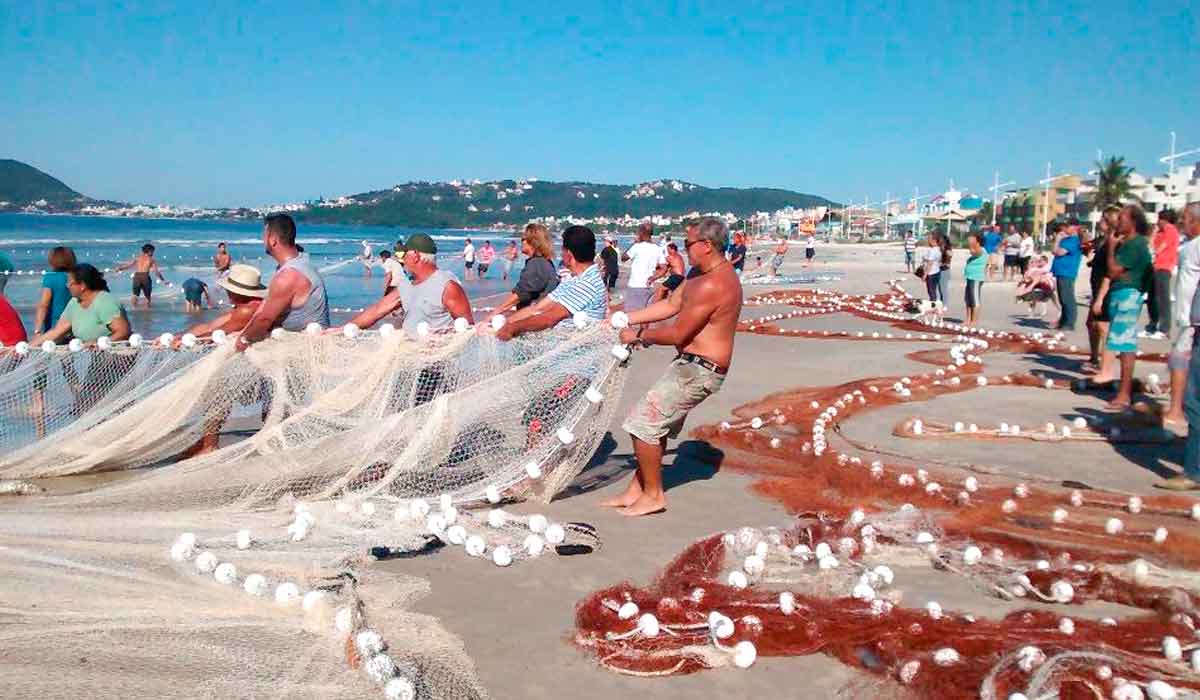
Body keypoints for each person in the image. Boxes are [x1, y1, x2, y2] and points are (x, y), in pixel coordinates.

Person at [602, 217, 742, 516]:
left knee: (641, 426)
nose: (681, 250)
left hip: (701, 370)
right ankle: (637, 489)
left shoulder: (715, 283)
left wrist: (639, 336)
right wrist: (629, 318)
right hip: (687, 365)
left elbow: (679, 333)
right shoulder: (697, 273)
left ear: (706, 246)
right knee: (656, 427)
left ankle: (654, 495)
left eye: (688, 243)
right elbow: (670, 306)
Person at [235, 214, 330, 351]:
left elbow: (264, 320)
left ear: (273, 240)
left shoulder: (288, 276)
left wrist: (241, 342)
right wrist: (243, 333)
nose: (262, 240)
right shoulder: (300, 262)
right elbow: (262, 311)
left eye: (264, 236)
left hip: (308, 353)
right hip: (304, 347)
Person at [495, 225, 606, 339]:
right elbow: (537, 309)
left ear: (568, 253)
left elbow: (549, 318)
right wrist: (506, 323)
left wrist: (513, 328)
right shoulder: (573, 280)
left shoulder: (586, 284)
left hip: (571, 353)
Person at [349, 233, 472, 334]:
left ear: (416, 256)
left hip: (438, 360)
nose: (401, 260)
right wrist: (343, 329)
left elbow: (468, 329)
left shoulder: (448, 286)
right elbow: (377, 310)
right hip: (410, 357)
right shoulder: (406, 284)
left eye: (404, 255)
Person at [1093, 205, 1153, 410]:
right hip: (1121, 293)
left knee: (1126, 345)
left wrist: (1110, 246)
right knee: (1120, 343)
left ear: (1133, 222)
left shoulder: (1135, 244)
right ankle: (1123, 391)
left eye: (1122, 219)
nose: (1118, 223)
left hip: (1128, 294)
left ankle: (1124, 393)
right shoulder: (1127, 242)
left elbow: (1113, 269)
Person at [1160, 201, 1200, 491]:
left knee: (1195, 401)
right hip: (1191, 324)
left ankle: (1194, 471)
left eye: (1185, 218)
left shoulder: (1196, 247)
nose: (1181, 222)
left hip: (1194, 326)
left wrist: (1189, 326)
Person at [30, 264, 130, 345]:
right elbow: (56, 332)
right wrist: (29, 347)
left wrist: (98, 343)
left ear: (82, 286)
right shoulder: (74, 302)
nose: (67, 285)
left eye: (70, 283)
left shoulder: (105, 302)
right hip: (96, 356)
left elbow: (123, 331)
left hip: (118, 356)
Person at [480, 224, 559, 320]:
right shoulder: (545, 262)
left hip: (535, 317)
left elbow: (521, 294)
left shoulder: (536, 263)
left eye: (523, 239)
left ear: (533, 242)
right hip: (542, 313)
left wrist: (492, 314)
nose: (521, 242)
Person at [1086, 206, 1120, 371]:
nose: (1099, 222)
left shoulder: (1113, 241)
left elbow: (1111, 266)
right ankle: (1094, 357)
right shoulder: (1102, 240)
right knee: (1091, 323)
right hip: (1096, 285)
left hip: (1105, 287)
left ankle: (1106, 364)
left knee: (1102, 326)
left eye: (1102, 219)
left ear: (1110, 222)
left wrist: (1101, 297)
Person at [1145, 210, 1180, 340]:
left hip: (1164, 267)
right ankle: (1152, 325)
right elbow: (1150, 244)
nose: (1157, 222)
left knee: (1162, 299)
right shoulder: (1159, 231)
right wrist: (1153, 234)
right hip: (1154, 266)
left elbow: (1161, 248)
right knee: (1152, 297)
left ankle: (1165, 328)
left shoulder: (1170, 230)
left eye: (1159, 219)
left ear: (1164, 219)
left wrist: (1153, 252)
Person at [621, 223, 666, 315]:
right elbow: (664, 268)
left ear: (641, 233)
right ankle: (644, 330)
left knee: (631, 316)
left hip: (636, 285)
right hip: (649, 286)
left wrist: (635, 242)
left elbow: (623, 258)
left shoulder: (637, 246)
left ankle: (634, 330)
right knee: (644, 315)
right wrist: (654, 278)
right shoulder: (657, 248)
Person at [34, 246, 76, 334]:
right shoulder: (77, 277)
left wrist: (37, 330)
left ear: (52, 261)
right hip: (75, 323)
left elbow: (44, 304)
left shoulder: (50, 278)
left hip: (55, 326)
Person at [1050, 222, 1082, 331]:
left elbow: (1058, 252)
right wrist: (1058, 240)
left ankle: (1069, 322)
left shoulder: (1074, 241)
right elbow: (1053, 250)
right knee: (1062, 298)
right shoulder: (1067, 240)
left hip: (1067, 272)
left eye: (1069, 226)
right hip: (1061, 272)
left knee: (1067, 297)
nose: (1065, 228)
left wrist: (1058, 239)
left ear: (1075, 227)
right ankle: (1063, 321)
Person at [115, 243, 168, 308]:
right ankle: (147, 311)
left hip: (137, 276)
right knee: (147, 297)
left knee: (135, 295)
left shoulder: (138, 258)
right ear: (149, 251)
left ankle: (133, 308)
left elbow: (128, 265)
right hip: (145, 277)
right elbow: (156, 272)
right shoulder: (151, 260)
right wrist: (163, 280)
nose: (153, 253)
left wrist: (119, 268)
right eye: (153, 251)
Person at [963, 232, 986, 326]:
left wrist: (972, 244)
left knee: (975, 299)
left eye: (972, 238)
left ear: (977, 241)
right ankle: (968, 319)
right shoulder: (975, 248)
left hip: (976, 278)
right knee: (968, 299)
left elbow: (975, 252)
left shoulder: (981, 250)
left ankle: (974, 321)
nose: (969, 240)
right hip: (969, 277)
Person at [921, 231, 943, 310]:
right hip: (937, 271)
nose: (928, 240)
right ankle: (934, 305)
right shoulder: (939, 249)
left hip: (931, 273)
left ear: (934, 240)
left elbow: (930, 263)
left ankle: (933, 307)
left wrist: (925, 274)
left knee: (931, 291)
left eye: (929, 239)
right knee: (933, 290)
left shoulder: (933, 250)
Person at [936, 232, 953, 314]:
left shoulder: (948, 250)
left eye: (940, 240)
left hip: (944, 271)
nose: (939, 241)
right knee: (938, 289)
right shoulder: (939, 249)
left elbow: (947, 262)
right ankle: (939, 304)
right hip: (938, 270)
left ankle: (945, 305)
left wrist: (940, 263)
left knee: (943, 289)